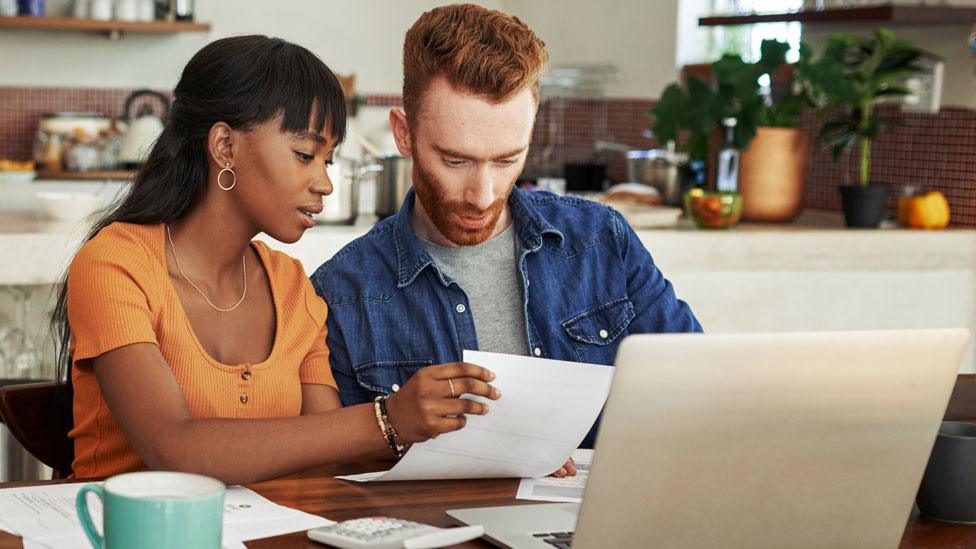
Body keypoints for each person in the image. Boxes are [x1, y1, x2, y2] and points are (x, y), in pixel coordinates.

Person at [51, 35, 500, 484]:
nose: (324, 182)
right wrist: (388, 419)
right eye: (305, 155)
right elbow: (174, 450)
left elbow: (326, 456)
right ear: (225, 146)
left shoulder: (291, 286)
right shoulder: (116, 264)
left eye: (328, 159)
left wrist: (493, 452)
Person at [310, 3, 702, 451]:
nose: (482, 194)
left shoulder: (602, 240)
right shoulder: (340, 292)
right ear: (404, 133)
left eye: (507, 160)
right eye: (455, 160)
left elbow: (694, 386)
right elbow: (339, 474)